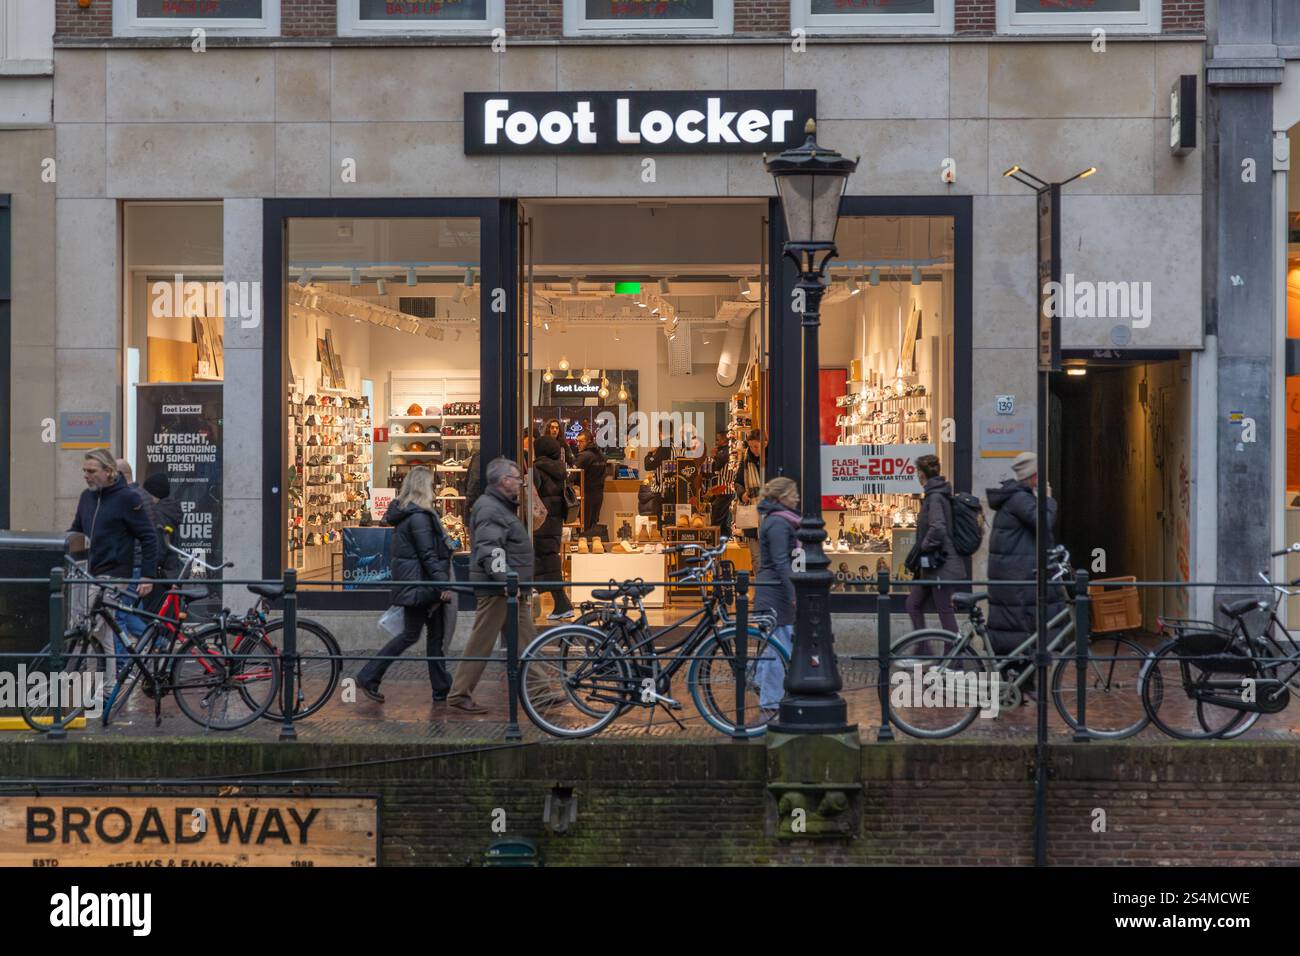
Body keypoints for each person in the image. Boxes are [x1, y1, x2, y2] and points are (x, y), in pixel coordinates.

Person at [357, 466, 455, 703]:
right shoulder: (419, 517)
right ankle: (369, 675)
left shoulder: (408, 514)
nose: (436, 489)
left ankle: (441, 688)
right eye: (432, 484)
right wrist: (443, 585)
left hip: (420, 585)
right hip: (422, 586)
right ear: (424, 487)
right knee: (413, 635)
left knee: (433, 636)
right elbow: (427, 554)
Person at [447, 457, 537, 714]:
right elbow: (489, 551)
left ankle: (543, 689)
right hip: (497, 589)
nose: (520, 483)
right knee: (482, 640)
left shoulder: (497, 507)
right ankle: (459, 693)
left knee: (526, 638)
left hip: (507, 589)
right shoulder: (490, 509)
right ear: (504, 481)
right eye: (517, 478)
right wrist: (507, 579)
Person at [69, 450, 158, 669]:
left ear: (109, 472)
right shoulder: (86, 497)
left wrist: (147, 575)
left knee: (93, 630)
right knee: (103, 635)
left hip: (115, 574)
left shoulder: (128, 498)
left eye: (92, 471)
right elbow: (76, 531)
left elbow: (148, 536)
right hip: (89, 573)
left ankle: (95, 688)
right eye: (84, 471)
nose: (86, 475)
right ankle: (106, 688)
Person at [986, 452, 1064, 693]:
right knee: (1019, 632)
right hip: (1017, 581)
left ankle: (1020, 686)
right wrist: (1048, 499)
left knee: (1021, 633)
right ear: (1035, 477)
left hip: (1015, 579)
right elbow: (1043, 521)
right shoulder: (1020, 500)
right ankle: (1016, 686)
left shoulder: (1018, 498)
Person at [903, 455, 967, 651]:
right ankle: (923, 650)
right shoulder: (935, 494)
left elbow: (938, 528)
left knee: (944, 612)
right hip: (932, 567)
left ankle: (953, 660)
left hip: (941, 565)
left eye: (916, 472)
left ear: (921, 474)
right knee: (913, 604)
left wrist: (924, 546)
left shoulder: (935, 497)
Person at [753, 476, 800, 720]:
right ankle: (770, 699)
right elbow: (782, 562)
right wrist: (793, 593)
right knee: (779, 644)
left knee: (775, 642)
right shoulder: (780, 524)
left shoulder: (777, 520)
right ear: (782, 497)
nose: (798, 498)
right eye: (794, 494)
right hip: (775, 593)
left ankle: (761, 683)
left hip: (772, 591)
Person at [531, 436, 573, 621]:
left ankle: (561, 603)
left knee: (544, 559)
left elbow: (532, 496)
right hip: (555, 521)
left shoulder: (537, 469)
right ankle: (560, 603)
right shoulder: (560, 469)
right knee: (548, 557)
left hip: (541, 522)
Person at [141, 472, 184, 614]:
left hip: (159, 576)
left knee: (151, 619)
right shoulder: (168, 511)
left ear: (153, 494)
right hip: (169, 572)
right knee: (163, 618)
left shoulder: (158, 515)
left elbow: (157, 549)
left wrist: (147, 573)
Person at [734, 428, 765, 564]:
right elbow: (737, 482)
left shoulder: (774, 458)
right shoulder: (746, 459)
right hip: (752, 514)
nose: (753, 450)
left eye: (756, 446)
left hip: (771, 512)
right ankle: (761, 583)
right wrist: (742, 494)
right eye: (751, 446)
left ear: (765, 443)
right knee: (756, 557)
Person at [574, 429, 606, 535]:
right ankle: (592, 545)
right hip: (599, 494)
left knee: (583, 524)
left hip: (586, 494)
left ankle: (583, 545)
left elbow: (573, 475)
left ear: (589, 441)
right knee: (594, 523)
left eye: (581, 441)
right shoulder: (601, 455)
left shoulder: (584, 456)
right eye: (577, 441)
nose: (578, 444)